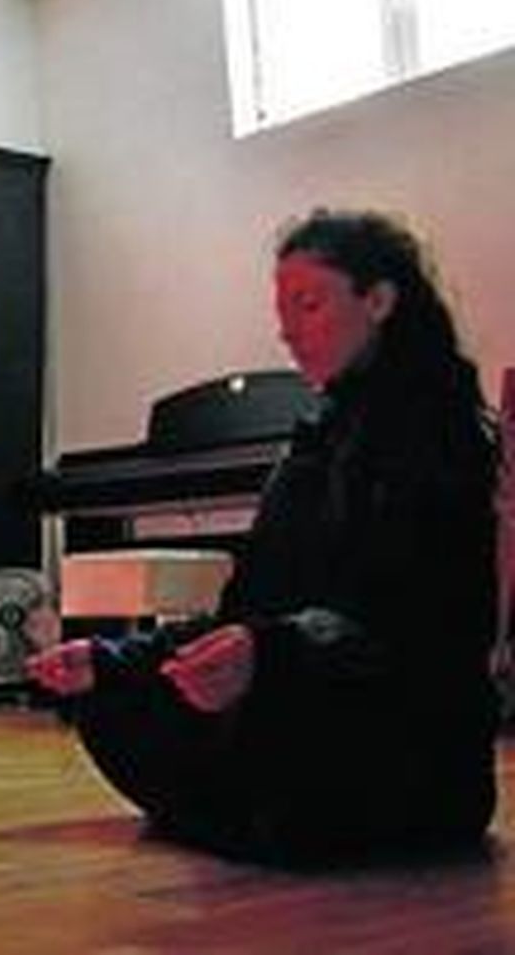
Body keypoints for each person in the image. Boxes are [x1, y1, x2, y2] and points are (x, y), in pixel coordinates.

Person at [27, 208, 502, 865]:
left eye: (309, 304)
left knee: (272, 757)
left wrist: (271, 654)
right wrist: (116, 658)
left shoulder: (441, 437)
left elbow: (416, 631)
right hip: (302, 693)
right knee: (110, 699)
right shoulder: (318, 438)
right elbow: (247, 608)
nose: (287, 331)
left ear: (379, 300)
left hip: (404, 731)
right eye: (282, 312)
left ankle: (264, 807)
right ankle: (247, 803)